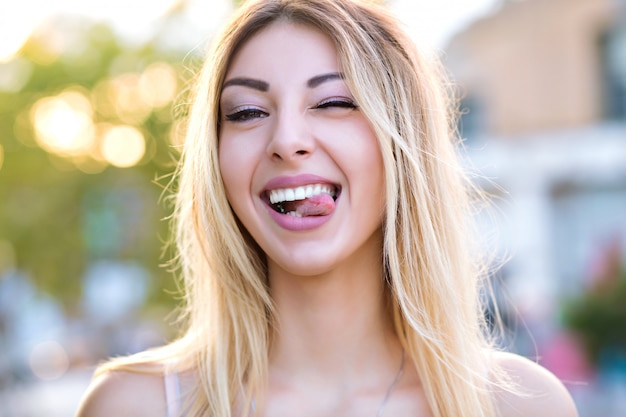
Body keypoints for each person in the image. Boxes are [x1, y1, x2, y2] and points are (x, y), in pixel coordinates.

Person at [76, 0, 579, 416]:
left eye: (334, 102)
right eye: (247, 112)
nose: (287, 140)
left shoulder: (522, 405)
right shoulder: (134, 405)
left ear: (402, 144)